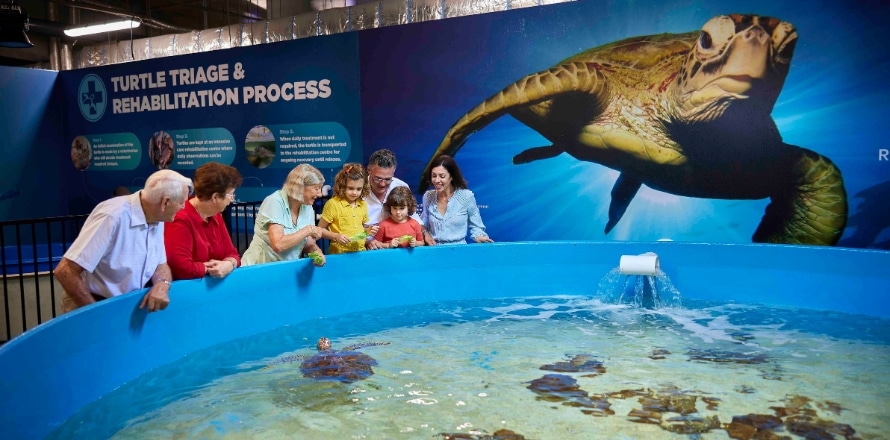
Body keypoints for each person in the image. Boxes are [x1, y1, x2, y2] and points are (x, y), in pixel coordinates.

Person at [53, 169, 193, 314]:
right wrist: (95, 313)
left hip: (123, 305)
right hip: (93, 303)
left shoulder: (158, 216)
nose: (183, 207)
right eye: (181, 202)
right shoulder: (112, 216)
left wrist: (162, 285)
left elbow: (160, 264)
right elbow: (65, 270)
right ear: (165, 202)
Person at [164, 162, 243, 280]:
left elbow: (232, 253)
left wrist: (229, 264)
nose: (232, 200)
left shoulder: (216, 215)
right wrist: (209, 269)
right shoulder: (180, 219)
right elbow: (180, 267)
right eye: (230, 195)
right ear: (215, 197)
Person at [241, 163, 327, 266]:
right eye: (316, 188)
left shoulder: (307, 207)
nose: (320, 194)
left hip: (285, 269)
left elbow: (308, 244)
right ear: (300, 187)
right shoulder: (275, 201)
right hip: (260, 267)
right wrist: (308, 230)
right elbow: (278, 245)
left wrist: (316, 253)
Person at [363, 149, 432, 249]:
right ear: (369, 170)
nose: (382, 184)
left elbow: (413, 217)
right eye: (378, 178)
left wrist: (425, 233)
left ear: (394, 172)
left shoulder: (400, 186)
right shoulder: (357, 190)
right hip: (365, 248)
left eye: (388, 179)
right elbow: (349, 227)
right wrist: (367, 242)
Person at [421, 155, 493, 245]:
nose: (436, 180)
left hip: (459, 249)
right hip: (433, 249)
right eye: (434, 176)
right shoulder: (428, 196)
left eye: (442, 176)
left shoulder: (466, 196)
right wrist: (425, 233)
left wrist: (479, 236)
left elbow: (476, 226)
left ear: (451, 176)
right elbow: (422, 224)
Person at [317, 163, 378, 254]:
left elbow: (359, 232)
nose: (354, 192)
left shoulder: (363, 204)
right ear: (342, 185)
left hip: (360, 252)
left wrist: (367, 232)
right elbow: (319, 230)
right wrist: (335, 236)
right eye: (350, 188)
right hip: (340, 253)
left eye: (359, 189)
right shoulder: (333, 204)